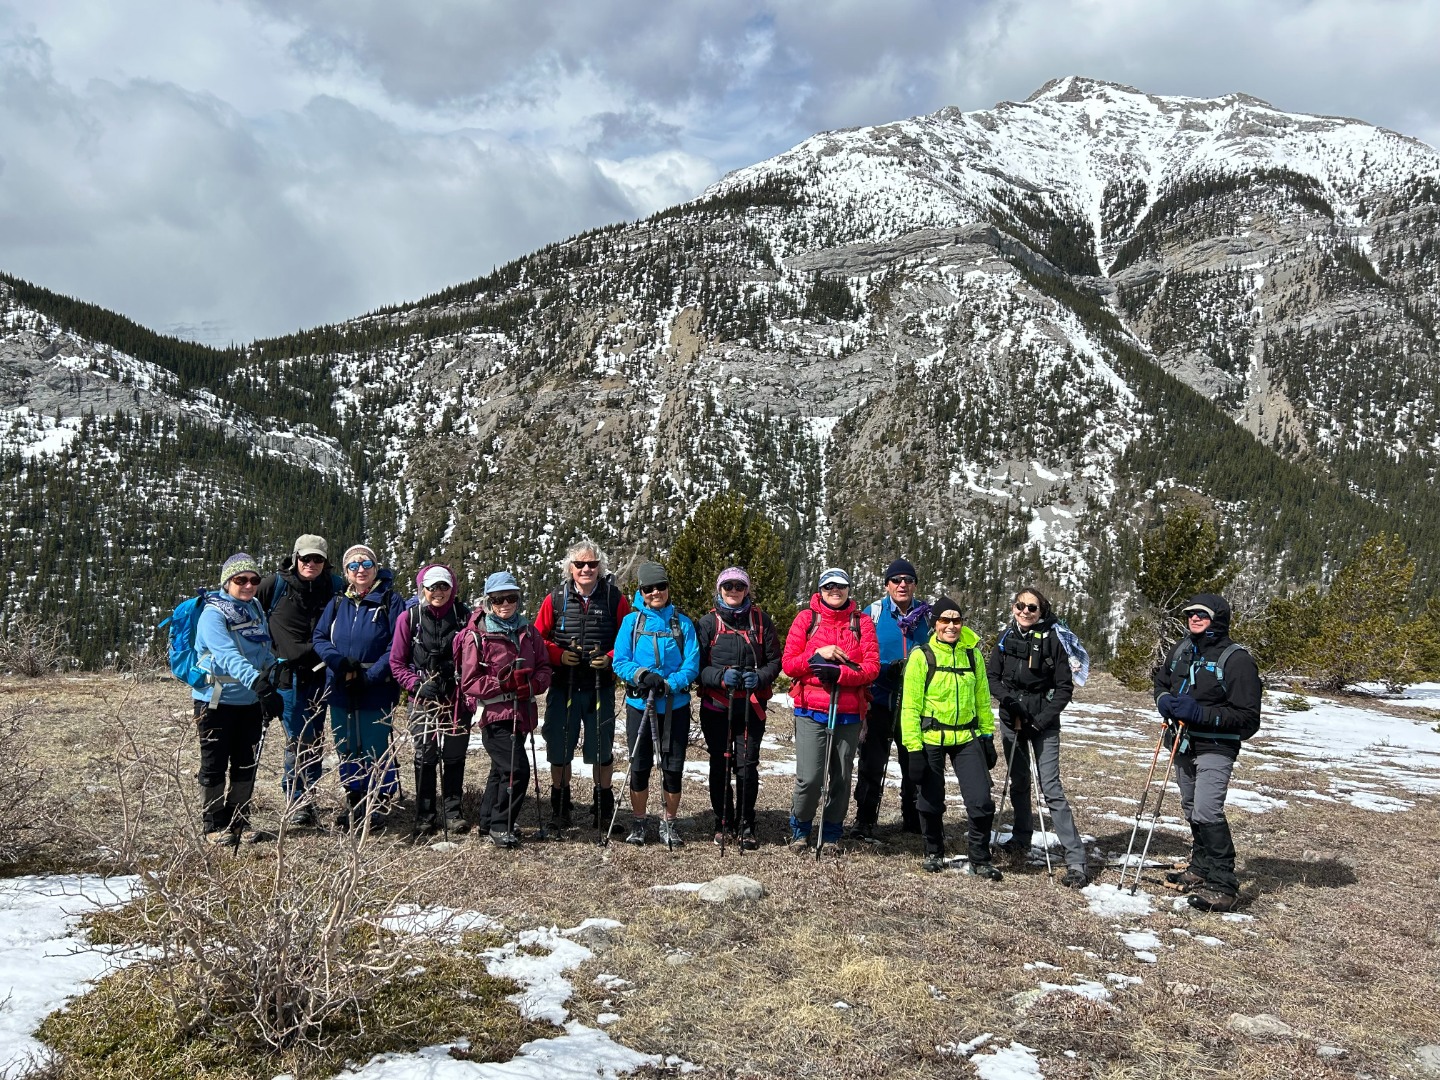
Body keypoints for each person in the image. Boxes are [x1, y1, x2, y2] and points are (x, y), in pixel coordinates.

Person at [1153, 593, 1262, 913]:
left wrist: (1201, 714)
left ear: (1219, 619)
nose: (1194, 618)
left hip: (1216, 745)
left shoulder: (1237, 659)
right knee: (1190, 806)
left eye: (1202, 614)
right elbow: (1161, 680)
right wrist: (1162, 701)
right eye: (1190, 614)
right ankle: (1200, 868)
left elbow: (1248, 719)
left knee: (1206, 810)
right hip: (1182, 741)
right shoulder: (1182, 649)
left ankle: (1223, 884)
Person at [987, 586, 1089, 887]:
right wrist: (1008, 702)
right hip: (1011, 719)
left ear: (1041, 611)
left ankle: (1076, 860)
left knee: (1051, 788)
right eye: (1020, 606)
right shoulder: (1006, 638)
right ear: (1013, 608)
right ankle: (1021, 838)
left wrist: (1042, 720)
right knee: (1018, 782)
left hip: (1043, 723)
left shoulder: (1054, 640)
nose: (1025, 612)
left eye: (1032, 607)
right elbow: (993, 677)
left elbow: (1064, 687)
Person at [534, 540, 632, 831]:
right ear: (570, 568)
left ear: (600, 567)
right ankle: (560, 810)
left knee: (601, 750)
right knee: (559, 749)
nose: (586, 569)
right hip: (564, 684)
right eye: (580, 564)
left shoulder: (615, 599)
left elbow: (627, 639)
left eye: (592, 564)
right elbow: (538, 639)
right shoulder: (555, 599)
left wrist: (611, 658)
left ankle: (602, 811)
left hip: (599, 687)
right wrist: (559, 655)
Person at [899, 596, 1001, 877]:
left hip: (967, 737)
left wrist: (987, 737)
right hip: (931, 736)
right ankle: (934, 852)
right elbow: (909, 707)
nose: (951, 626)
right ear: (935, 624)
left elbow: (982, 699)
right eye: (945, 620)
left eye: (956, 620)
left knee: (981, 800)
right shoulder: (922, 656)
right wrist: (914, 749)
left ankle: (980, 858)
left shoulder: (973, 655)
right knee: (930, 801)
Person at [781, 568, 880, 851]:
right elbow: (789, 665)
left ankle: (832, 833)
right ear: (820, 590)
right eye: (828, 586)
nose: (834, 591)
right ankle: (800, 828)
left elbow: (872, 668)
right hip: (811, 709)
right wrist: (817, 657)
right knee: (810, 777)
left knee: (841, 776)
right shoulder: (806, 619)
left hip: (849, 711)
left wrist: (840, 675)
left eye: (841, 586)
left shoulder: (862, 623)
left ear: (849, 589)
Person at [455, 572, 554, 847]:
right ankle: (503, 824)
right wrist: (503, 684)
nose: (505, 604)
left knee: (501, 770)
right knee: (516, 769)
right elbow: (469, 681)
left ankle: (488, 822)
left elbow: (545, 668)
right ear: (489, 601)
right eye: (499, 599)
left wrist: (532, 685)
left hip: (521, 712)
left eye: (511, 598)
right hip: (493, 714)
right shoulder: (476, 635)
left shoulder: (528, 631)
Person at [313, 544, 406, 832]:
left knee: (374, 744)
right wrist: (338, 662)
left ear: (376, 567)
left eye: (366, 563)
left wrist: (372, 675)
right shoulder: (338, 601)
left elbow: (397, 645)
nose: (360, 570)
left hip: (375, 686)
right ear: (346, 573)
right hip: (341, 685)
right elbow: (319, 637)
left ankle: (376, 802)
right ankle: (355, 797)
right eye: (353, 566)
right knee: (347, 744)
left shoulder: (390, 600)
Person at [193, 553, 283, 844]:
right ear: (226, 582)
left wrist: (273, 671)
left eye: (253, 580)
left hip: (249, 700)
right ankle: (213, 824)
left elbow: (263, 646)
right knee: (215, 762)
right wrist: (260, 684)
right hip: (216, 699)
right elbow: (227, 656)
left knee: (246, 761)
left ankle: (239, 820)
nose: (248, 585)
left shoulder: (254, 607)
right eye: (240, 580)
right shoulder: (212, 615)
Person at [611, 561, 700, 847]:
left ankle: (668, 823)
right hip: (641, 705)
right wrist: (643, 675)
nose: (655, 593)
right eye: (648, 589)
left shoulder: (682, 623)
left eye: (660, 587)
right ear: (641, 591)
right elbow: (620, 661)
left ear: (667, 588)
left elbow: (693, 663)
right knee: (639, 766)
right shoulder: (632, 622)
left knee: (673, 767)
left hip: (674, 706)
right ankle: (639, 822)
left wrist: (670, 683)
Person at [695, 567, 782, 848]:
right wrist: (719, 677)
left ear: (747, 590)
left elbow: (774, 661)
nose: (734, 590)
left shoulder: (761, 622)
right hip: (717, 705)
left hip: (750, 707)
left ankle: (746, 823)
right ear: (719, 589)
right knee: (720, 763)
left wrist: (759, 677)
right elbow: (696, 668)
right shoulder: (707, 624)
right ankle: (722, 821)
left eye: (740, 586)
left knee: (747, 766)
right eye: (728, 585)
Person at [257, 534, 340, 827]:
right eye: (306, 558)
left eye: (318, 559)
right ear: (295, 558)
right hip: (286, 677)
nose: (311, 564)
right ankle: (297, 799)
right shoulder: (273, 586)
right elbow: (244, 608)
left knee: (314, 738)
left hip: (320, 675)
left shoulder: (334, 586)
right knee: (297, 739)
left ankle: (306, 797)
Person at [851, 558, 931, 839]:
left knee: (913, 762)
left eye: (908, 580)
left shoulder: (927, 616)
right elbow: (858, 653)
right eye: (896, 580)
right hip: (879, 699)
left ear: (915, 585)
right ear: (887, 585)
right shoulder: (872, 613)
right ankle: (865, 818)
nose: (902, 585)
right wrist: (884, 669)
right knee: (872, 762)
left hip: (915, 704)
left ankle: (913, 818)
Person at [390, 564, 471, 837]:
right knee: (425, 754)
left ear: (453, 588)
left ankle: (453, 812)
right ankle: (425, 814)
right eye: (432, 586)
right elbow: (397, 662)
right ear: (422, 589)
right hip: (422, 698)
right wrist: (416, 685)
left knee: (454, 753)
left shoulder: (464, 617)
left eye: (444, 586)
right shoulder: (409, 618)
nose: (438, 592)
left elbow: (473, 656)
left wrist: (456, 674)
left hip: (455, 695)